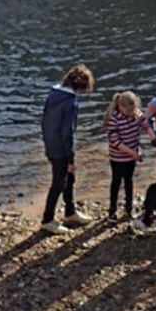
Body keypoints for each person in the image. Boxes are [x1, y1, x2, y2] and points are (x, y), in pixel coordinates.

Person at [40, 64, 96, 235]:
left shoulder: (53, 94)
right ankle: (47, 219)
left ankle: (70, 211)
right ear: (80, 87)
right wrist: (70, 159)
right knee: (59, 182)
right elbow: (67, 134)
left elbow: (43, 120)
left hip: (50, 143)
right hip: (61, 149)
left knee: (69, 178)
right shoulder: (71, 103)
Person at [104, 91, 146, 221]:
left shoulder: (136, 115)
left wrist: (138, 150)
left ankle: (129, 207)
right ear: (121, 107)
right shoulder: (114, 119)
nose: (130, 113)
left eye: (132, 109)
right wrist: (132, 152)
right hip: (118, 158)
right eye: (128, 110)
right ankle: (112, 210)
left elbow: (146, 125)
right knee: (116, 182)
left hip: (131, 157)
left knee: (129, 181)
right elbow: (115, 142)